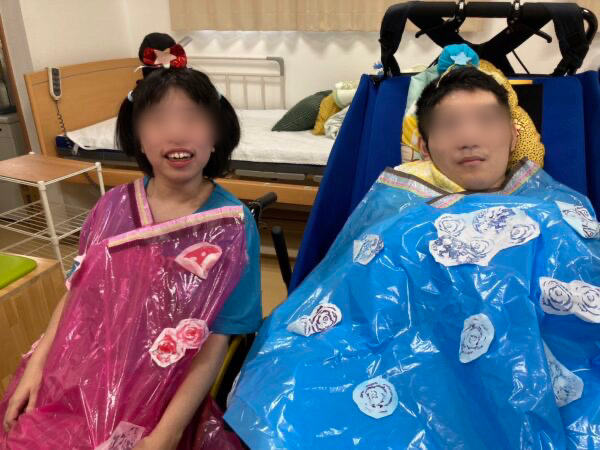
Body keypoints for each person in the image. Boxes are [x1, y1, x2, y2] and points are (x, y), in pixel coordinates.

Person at [225, 53, 600, 449]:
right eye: (450, 125)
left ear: (511, 133)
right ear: (425, 144)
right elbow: (356, 302)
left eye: (486, 121)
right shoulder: (399, 211)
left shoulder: (554, 209)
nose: (469, 137)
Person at [0, 36, 261, 449]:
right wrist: (37, 365)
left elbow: (217, 339)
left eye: (193, 118)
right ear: (138, 138)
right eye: (157, 120)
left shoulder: (233, 225)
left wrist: (167, 434)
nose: (176, 132)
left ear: (216, 134)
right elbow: (76, 294)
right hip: (84, 370)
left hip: (167, 391)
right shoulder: (110, 207)